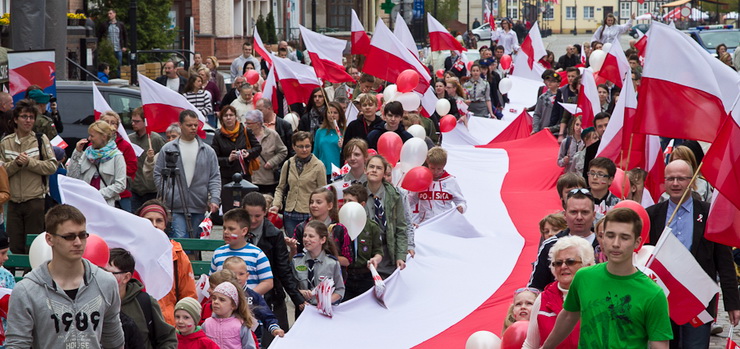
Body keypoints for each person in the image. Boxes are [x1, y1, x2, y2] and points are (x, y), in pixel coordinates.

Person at [542, 208, 672, 349]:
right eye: (610, 235)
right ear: (602, 238)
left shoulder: (653, 294)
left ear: (637, 242)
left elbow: (660, 345)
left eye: (624, 237)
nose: (616, 243)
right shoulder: (583, 277)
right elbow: (568, 316)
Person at [646, 160, 740, 347]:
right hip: (662, 299)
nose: (675, 183)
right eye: (670, 178)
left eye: (681, 179)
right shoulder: (652, 215)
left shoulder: (709, 214)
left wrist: (733, 304)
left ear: (692, 181)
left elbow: (724, 261)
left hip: (699, 298)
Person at [6, 204, 125, 348]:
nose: (78, 242)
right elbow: (17, 344)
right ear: (49, 239)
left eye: (83, 235)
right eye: (69, 237)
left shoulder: (105, 282)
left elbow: (115, 342)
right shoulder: (26, 290)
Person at [240, 192, 306, 345]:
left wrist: (297, 298)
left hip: (270, 297)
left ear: (265, 212)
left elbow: (283, 269)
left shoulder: (274, 234)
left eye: (258, 216)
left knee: (275, 342)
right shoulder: (236, 231)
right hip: (239, 297)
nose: (253, 220)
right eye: (249, 215)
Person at [0, 99, 58, 253]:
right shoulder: (6, 142)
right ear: (15, 120)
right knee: (13, 246)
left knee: (34, 246)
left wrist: (30, 162)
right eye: (24, 116)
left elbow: (52, 166)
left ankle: (31, 275)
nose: (28, 120)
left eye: (31, 117)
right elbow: (2, 173)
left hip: (35, 201)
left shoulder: (40, 139)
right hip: (12, 203)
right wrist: (16, 164)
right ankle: (12, 275)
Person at [154, 110, 221, 239]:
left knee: (195, 240)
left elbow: (214, 176)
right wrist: (166, 192)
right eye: (189, 125)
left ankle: (192, 259)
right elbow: (158, 173)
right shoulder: (168, 148)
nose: (193, 128)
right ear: (181, 125)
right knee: (180, 238)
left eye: (196, 125)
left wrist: (214, 199)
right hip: (175, 204)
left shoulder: (208, 151)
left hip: (199, 204)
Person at [522, 236, 594, 348]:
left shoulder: (599, 295)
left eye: (570, 262)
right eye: (558, 263)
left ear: (587, 266)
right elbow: (530, 345)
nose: (563, 266)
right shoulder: (543, 299)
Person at [137, 199, 197, 327]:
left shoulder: (177, 254)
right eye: (148, 220)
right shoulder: (131, 252)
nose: (154, 225)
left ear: (165, 224)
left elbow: (188, 295)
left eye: (159, 220)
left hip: (169, 323)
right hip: (139, 320)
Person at [107, 248, 178, 349]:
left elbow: (167, 338)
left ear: (126, 277)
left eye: (110, 273)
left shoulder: (144, 302)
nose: (104, 276)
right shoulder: (93, 300)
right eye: (101, 271)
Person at [529, 189, 597, 290]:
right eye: (573, 212)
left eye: (585, 212)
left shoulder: (604, 244)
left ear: (594, 215)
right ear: (565, 215)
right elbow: (536, 288)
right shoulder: (550, 245)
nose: (579, 217)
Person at [270, 131, 327, 239]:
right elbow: (280, 187)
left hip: (309, 213)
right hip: (290, 213)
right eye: (300, 146)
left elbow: (323, 191)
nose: (304, 150)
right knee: (293, 244)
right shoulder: (288, 163)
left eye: (307, 146)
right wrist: (276, 204)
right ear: (293, 147)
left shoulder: (318, 165)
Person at [209, 208, 274, 295]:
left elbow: (268, 283)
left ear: (244, 231)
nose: (226, 232)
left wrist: (247, 297)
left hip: (250, 306)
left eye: (231, 229)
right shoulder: (218, 253)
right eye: (224, 228)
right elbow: (212, 279)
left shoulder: (256, 254)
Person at [364, 155, 409, 278]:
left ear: (384, 173)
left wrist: (400, 256)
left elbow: (401, 228)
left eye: (378, 168)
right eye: (371, 167)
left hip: (387, 252)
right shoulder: (358, 193)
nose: (374, 170)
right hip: (365, 253)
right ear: (365, 170)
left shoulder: (394, 196)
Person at [221, 257, 285, 340]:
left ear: (247, 276)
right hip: (226, 337)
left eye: (241, 274)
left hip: (252, 337)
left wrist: (274, 328)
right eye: (233, 274)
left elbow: (266, 314)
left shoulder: (253, 296)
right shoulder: (220, 296)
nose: (237, 278)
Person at [68, 120, 127, 207]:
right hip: (84, 204)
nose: (89, 139)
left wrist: (96, 194)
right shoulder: (87, 153)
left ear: (103, 137)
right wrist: (77, 153)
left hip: (104, 205)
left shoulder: (117, 157)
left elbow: (120, 185)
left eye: (92, 136)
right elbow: (71, 177)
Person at [289, 187, 353, 267]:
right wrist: (292, 248)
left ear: (329, 206)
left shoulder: (338, 228)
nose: (313, 205)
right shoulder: (301, 227)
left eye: (318, 202)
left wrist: (323, 256)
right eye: (311, 202)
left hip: (332, 276)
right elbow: (293, 260)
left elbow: (347, 261)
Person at [341, 184, 383, 300]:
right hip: (345, 276)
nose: (346, 205)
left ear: (362, 205)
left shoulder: (371, 227)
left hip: (365, 276)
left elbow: (378, 251)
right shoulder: (338, 226)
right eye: (344, 201)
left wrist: (376, 259)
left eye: (350, 201)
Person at [292, 220, 345, 309]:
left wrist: (326, 302)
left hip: (324, 311)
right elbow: (292, 287)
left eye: (311, 236)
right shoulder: (296, 261)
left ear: (322, 240)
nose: (306, 239)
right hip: (303, 310)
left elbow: (340, 290)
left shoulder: (332, 263)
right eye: (305, 235)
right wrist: (300, 295)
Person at [408, 147, 466, 225]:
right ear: (427, 163)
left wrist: (461, 207)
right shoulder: (421, 179)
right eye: (432, 168)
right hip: (425, 223)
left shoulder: (451, 181)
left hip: (445, 223)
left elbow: (461, 201)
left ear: (444, 165)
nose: (435, 171)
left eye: (439, 169)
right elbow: (410, 200)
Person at [98, 111, 138, 212]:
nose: (109, 125)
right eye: (106, 122)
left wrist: (114, 172)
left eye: (113, 123)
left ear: (117, 127)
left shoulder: (125, 146)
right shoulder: (92, 145)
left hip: (121, 195)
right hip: (98, 192)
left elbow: (132, 168)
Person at [129, 107, 167, 211]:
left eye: (137, 121)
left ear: (145, 122)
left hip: (151, 189)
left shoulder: (155, 139)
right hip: (135, 188)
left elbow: (164, 161)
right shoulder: (129, 139)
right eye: (132, 121)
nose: (133, 123)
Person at [211, 106, 261, 184]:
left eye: (231, 115)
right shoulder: (218, 135)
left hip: (244, 175)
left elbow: (258, 148)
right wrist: (229, 159)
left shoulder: (245, 131)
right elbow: (214, 158)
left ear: (236, 117)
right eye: (225, 116)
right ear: (222, 119)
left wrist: (248, 153)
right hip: (226, 177)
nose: (228, 118)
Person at [202, 281, 257, 349]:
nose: (216, 302)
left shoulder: (240, 325)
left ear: (233, 305)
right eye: (214, 298)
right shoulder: (207, 324)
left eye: (222, 300)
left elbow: (249, 346)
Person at [246, 108, 288, 195]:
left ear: (258, 124)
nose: (246, 125)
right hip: (249, 180)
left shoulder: (272, 135)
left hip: (267, 180)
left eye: (249, 123)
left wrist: (272, 162)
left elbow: (283, 151)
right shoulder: (244, 135)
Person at [313, 101, 346, 180]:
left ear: (340, 114)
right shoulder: (320, 132)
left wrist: (343, 146)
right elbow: (316, 152)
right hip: (323, 171)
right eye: (329, 112)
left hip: (339, 171)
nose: (332, 115)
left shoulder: (345, 131)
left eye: (335, 112)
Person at [580, 111, 610, 178]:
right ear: (596, 129)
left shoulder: (621, 147)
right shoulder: (591, 150)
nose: (604, 129)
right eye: (600, 126)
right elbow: (586, 175)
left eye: (606, 125)